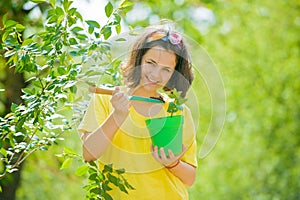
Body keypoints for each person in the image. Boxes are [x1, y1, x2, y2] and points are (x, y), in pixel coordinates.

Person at [78, 25, 198, 200]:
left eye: (166, 69)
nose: (156, 75)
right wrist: (117, 116)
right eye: (151, 63)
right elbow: (89, 154)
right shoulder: (106, 101)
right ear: (138, 60)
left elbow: (190, 178)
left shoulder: (177, 111)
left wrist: (173, 164)